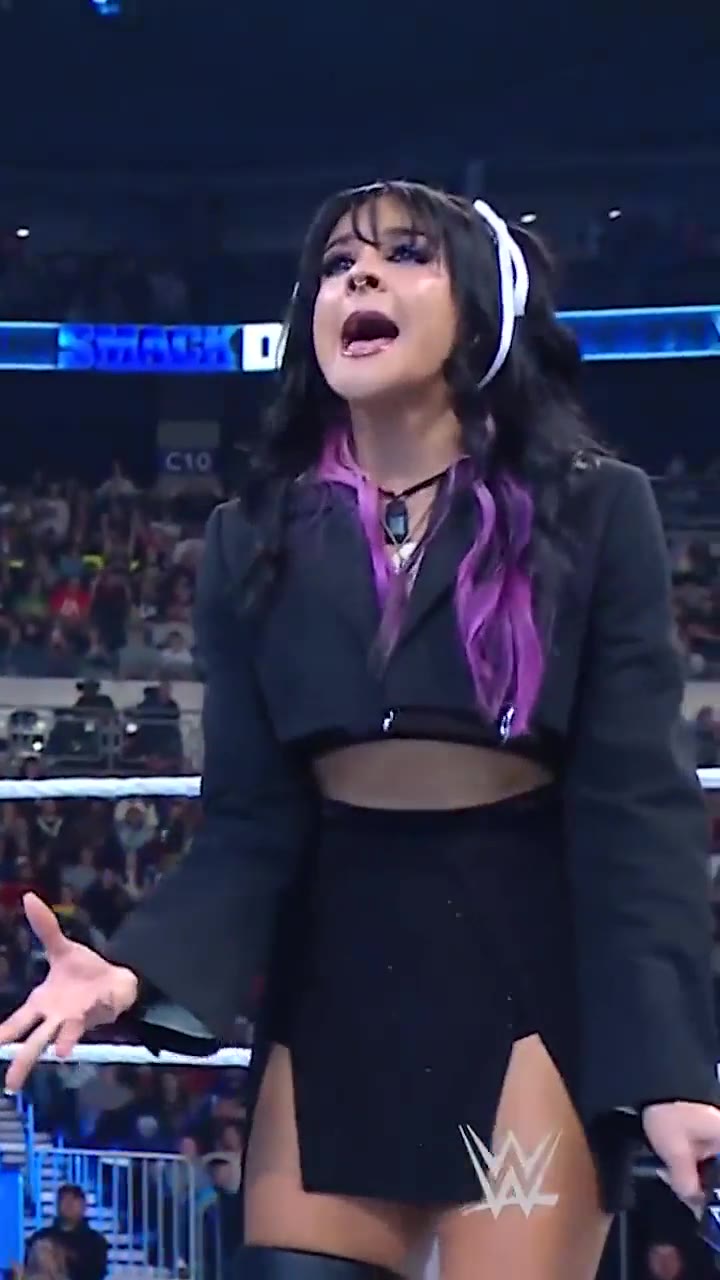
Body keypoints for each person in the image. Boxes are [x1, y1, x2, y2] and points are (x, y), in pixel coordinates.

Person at [1, 181, 720, 1280]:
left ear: (480, 312)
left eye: (405, 254)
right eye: (337, 265)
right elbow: (250, 820)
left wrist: (671, 1067)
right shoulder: (252, 538)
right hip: (337, 966)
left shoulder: (593, 509)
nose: (361, 277)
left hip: (526, 955)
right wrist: (133, 971)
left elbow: (638, 807)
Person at [25, 1186, 108, 1280]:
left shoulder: (95, 1241)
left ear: (84, 1206)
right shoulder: (41, 1236)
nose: (68, 1204)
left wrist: (63, 1258)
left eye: (74, 1200)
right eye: (64, 1199)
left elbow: (95, 1273)